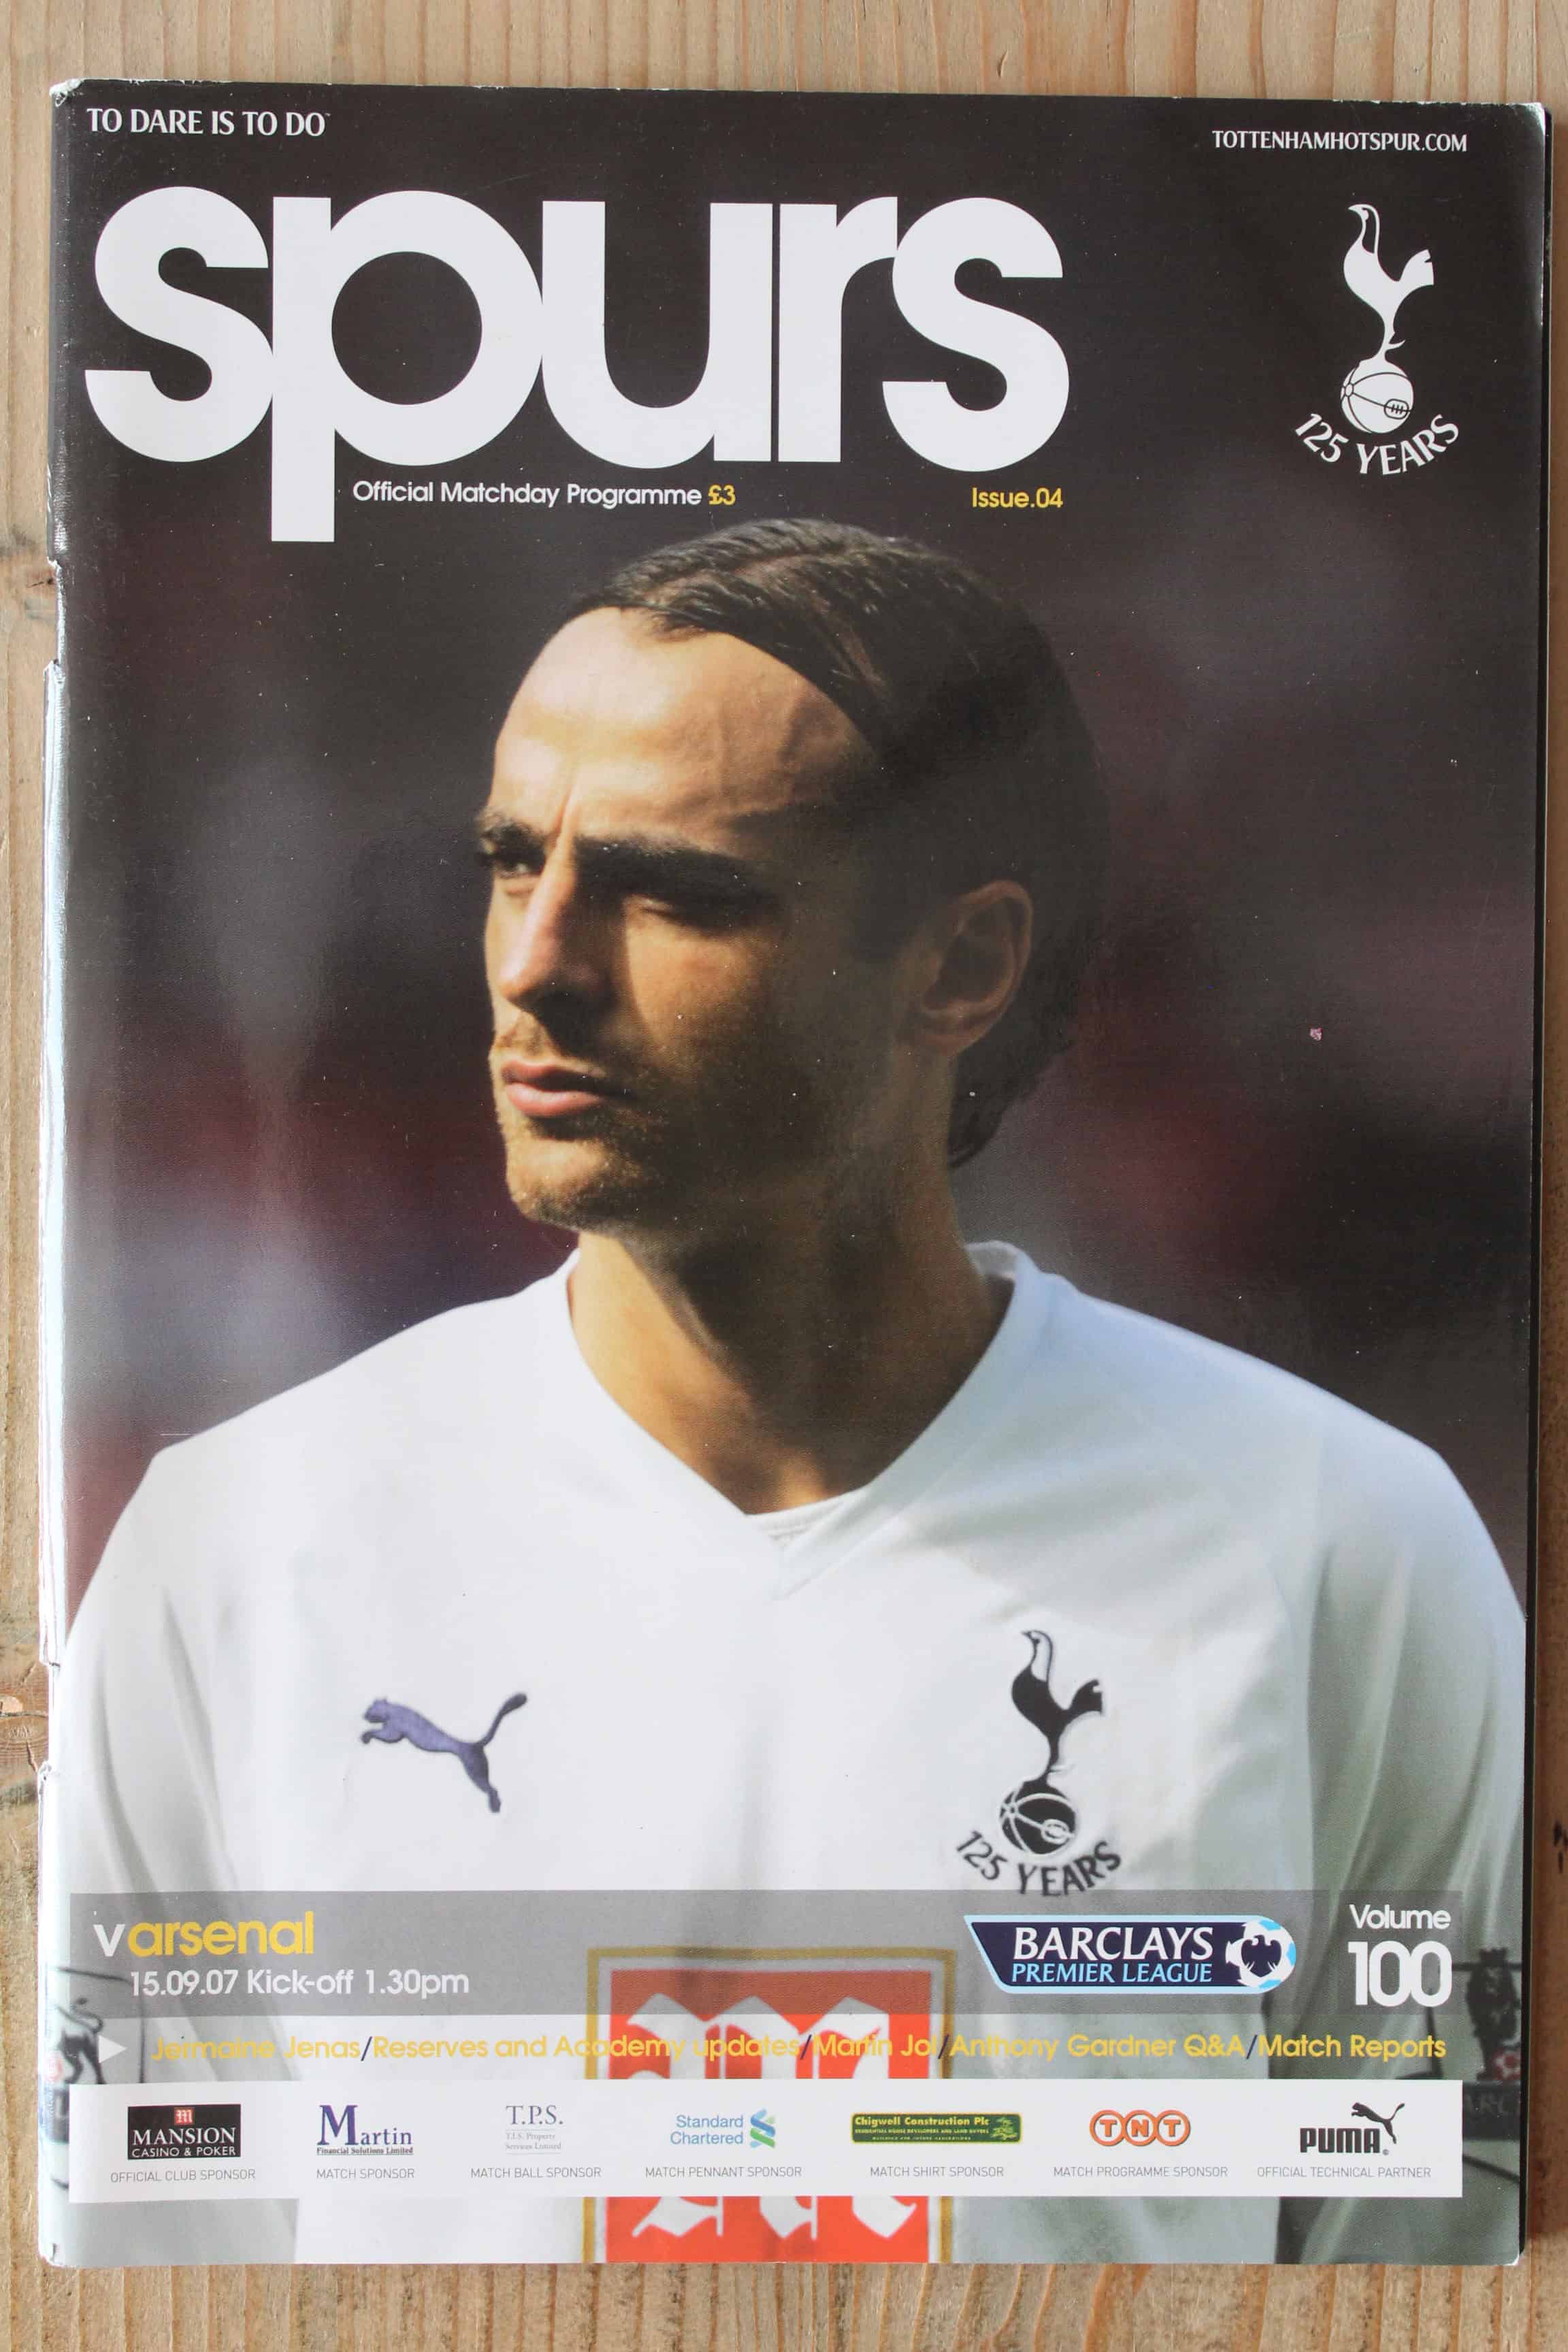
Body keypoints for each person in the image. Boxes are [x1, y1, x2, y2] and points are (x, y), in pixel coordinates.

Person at [45, 521, 1524, 2268]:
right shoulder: (236, 1555)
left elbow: (1429, 2280)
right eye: (514, 864)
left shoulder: (1345, 1554)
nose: (536, 963)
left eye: (675, 890)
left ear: (962, 967)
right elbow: (152, 2282)